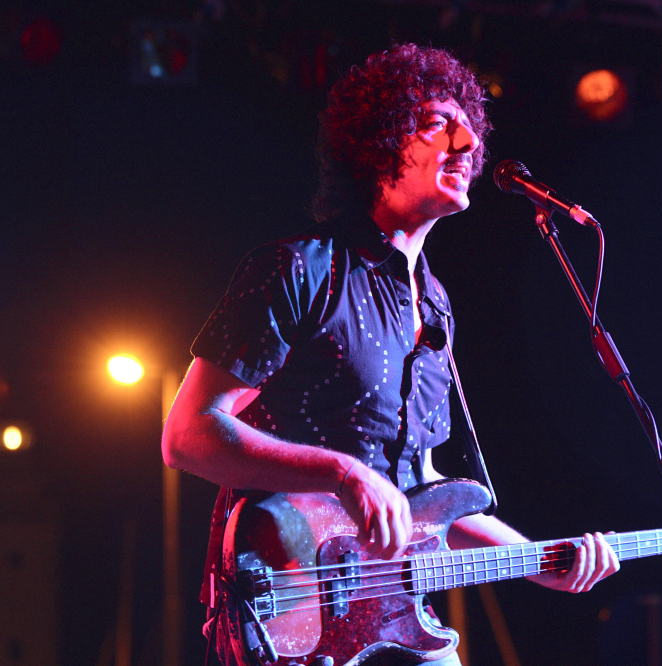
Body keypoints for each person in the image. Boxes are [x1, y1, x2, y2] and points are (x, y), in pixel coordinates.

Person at [161, 43, 619, 665]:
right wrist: (343, 473)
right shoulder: (300, 269)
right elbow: (188, 434)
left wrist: (541, 563)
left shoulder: (433, 304)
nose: (466, 144)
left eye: (469, 130)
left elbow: (424, 494)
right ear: (379, 145)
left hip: (399, 620)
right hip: (294, 600)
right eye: (437, 124)